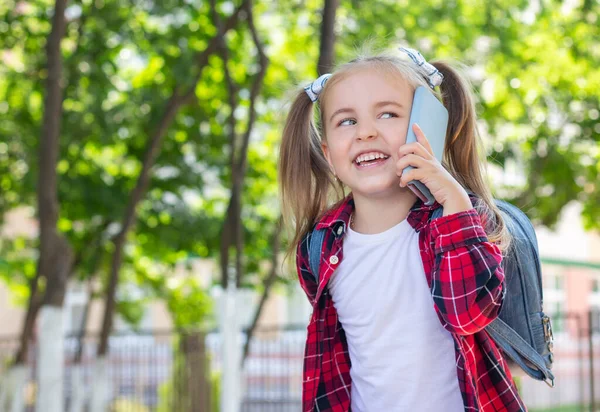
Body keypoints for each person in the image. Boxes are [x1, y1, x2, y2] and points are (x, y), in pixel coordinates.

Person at [278, 45, 527, 412]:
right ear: (329, 156)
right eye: (347, 121)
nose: (365, 132)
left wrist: (455, 206)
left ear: (426, 128)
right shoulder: (318, 247)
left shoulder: (460, 221)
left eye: (388, 114)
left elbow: (471, 314)